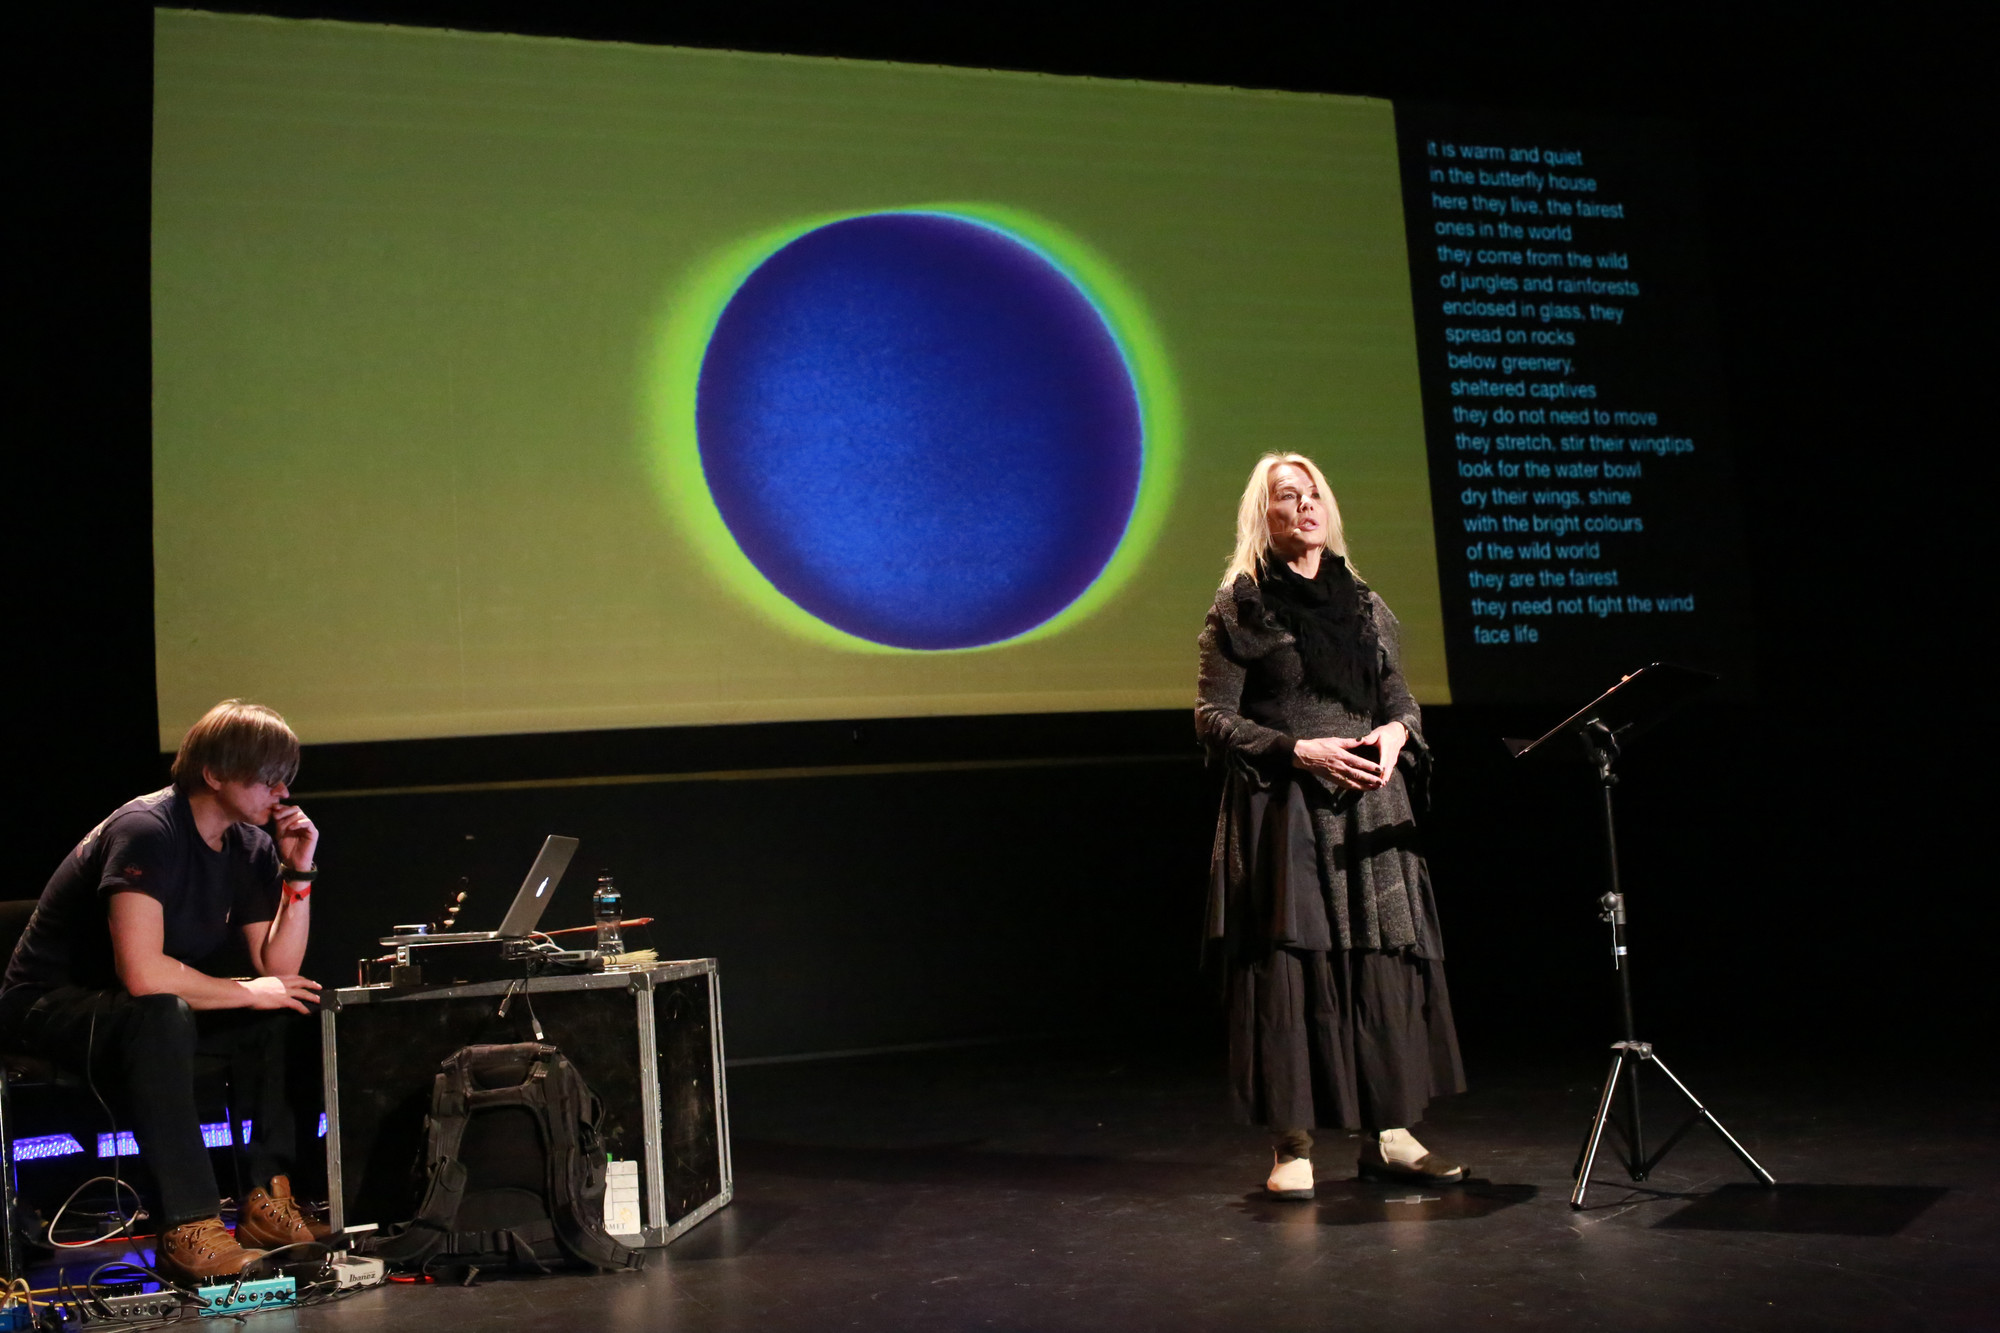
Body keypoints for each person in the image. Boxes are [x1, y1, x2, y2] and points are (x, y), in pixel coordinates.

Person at [1196, 453, 1467, 1200]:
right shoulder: (1242, 607)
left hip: (1372, 809)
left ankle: (1392, 1135)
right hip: (1286, 810)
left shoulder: (1365, 604)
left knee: (1381, 961)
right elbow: (1212, 717)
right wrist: (1297, 750)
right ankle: (1293, 1143)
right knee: (1292, 967)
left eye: (1313, 492)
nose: (1306, 505)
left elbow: (1399, 698)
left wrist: (1397, 733)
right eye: (1288, 495)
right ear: (1265, 515)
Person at [0, 701, 328, 1281]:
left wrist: (297, 873)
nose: (282, 793)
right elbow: (143, 974)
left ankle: (267, 1201)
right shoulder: (148, 830)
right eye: (267, 778)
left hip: (144, 1009)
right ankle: (189, 1224)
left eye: (286, 779)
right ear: (214, 774)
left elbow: (277, 966)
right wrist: (249, 990)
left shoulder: (249, 845)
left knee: (286, 1007)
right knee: (164, 1012)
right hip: (49, 1005)